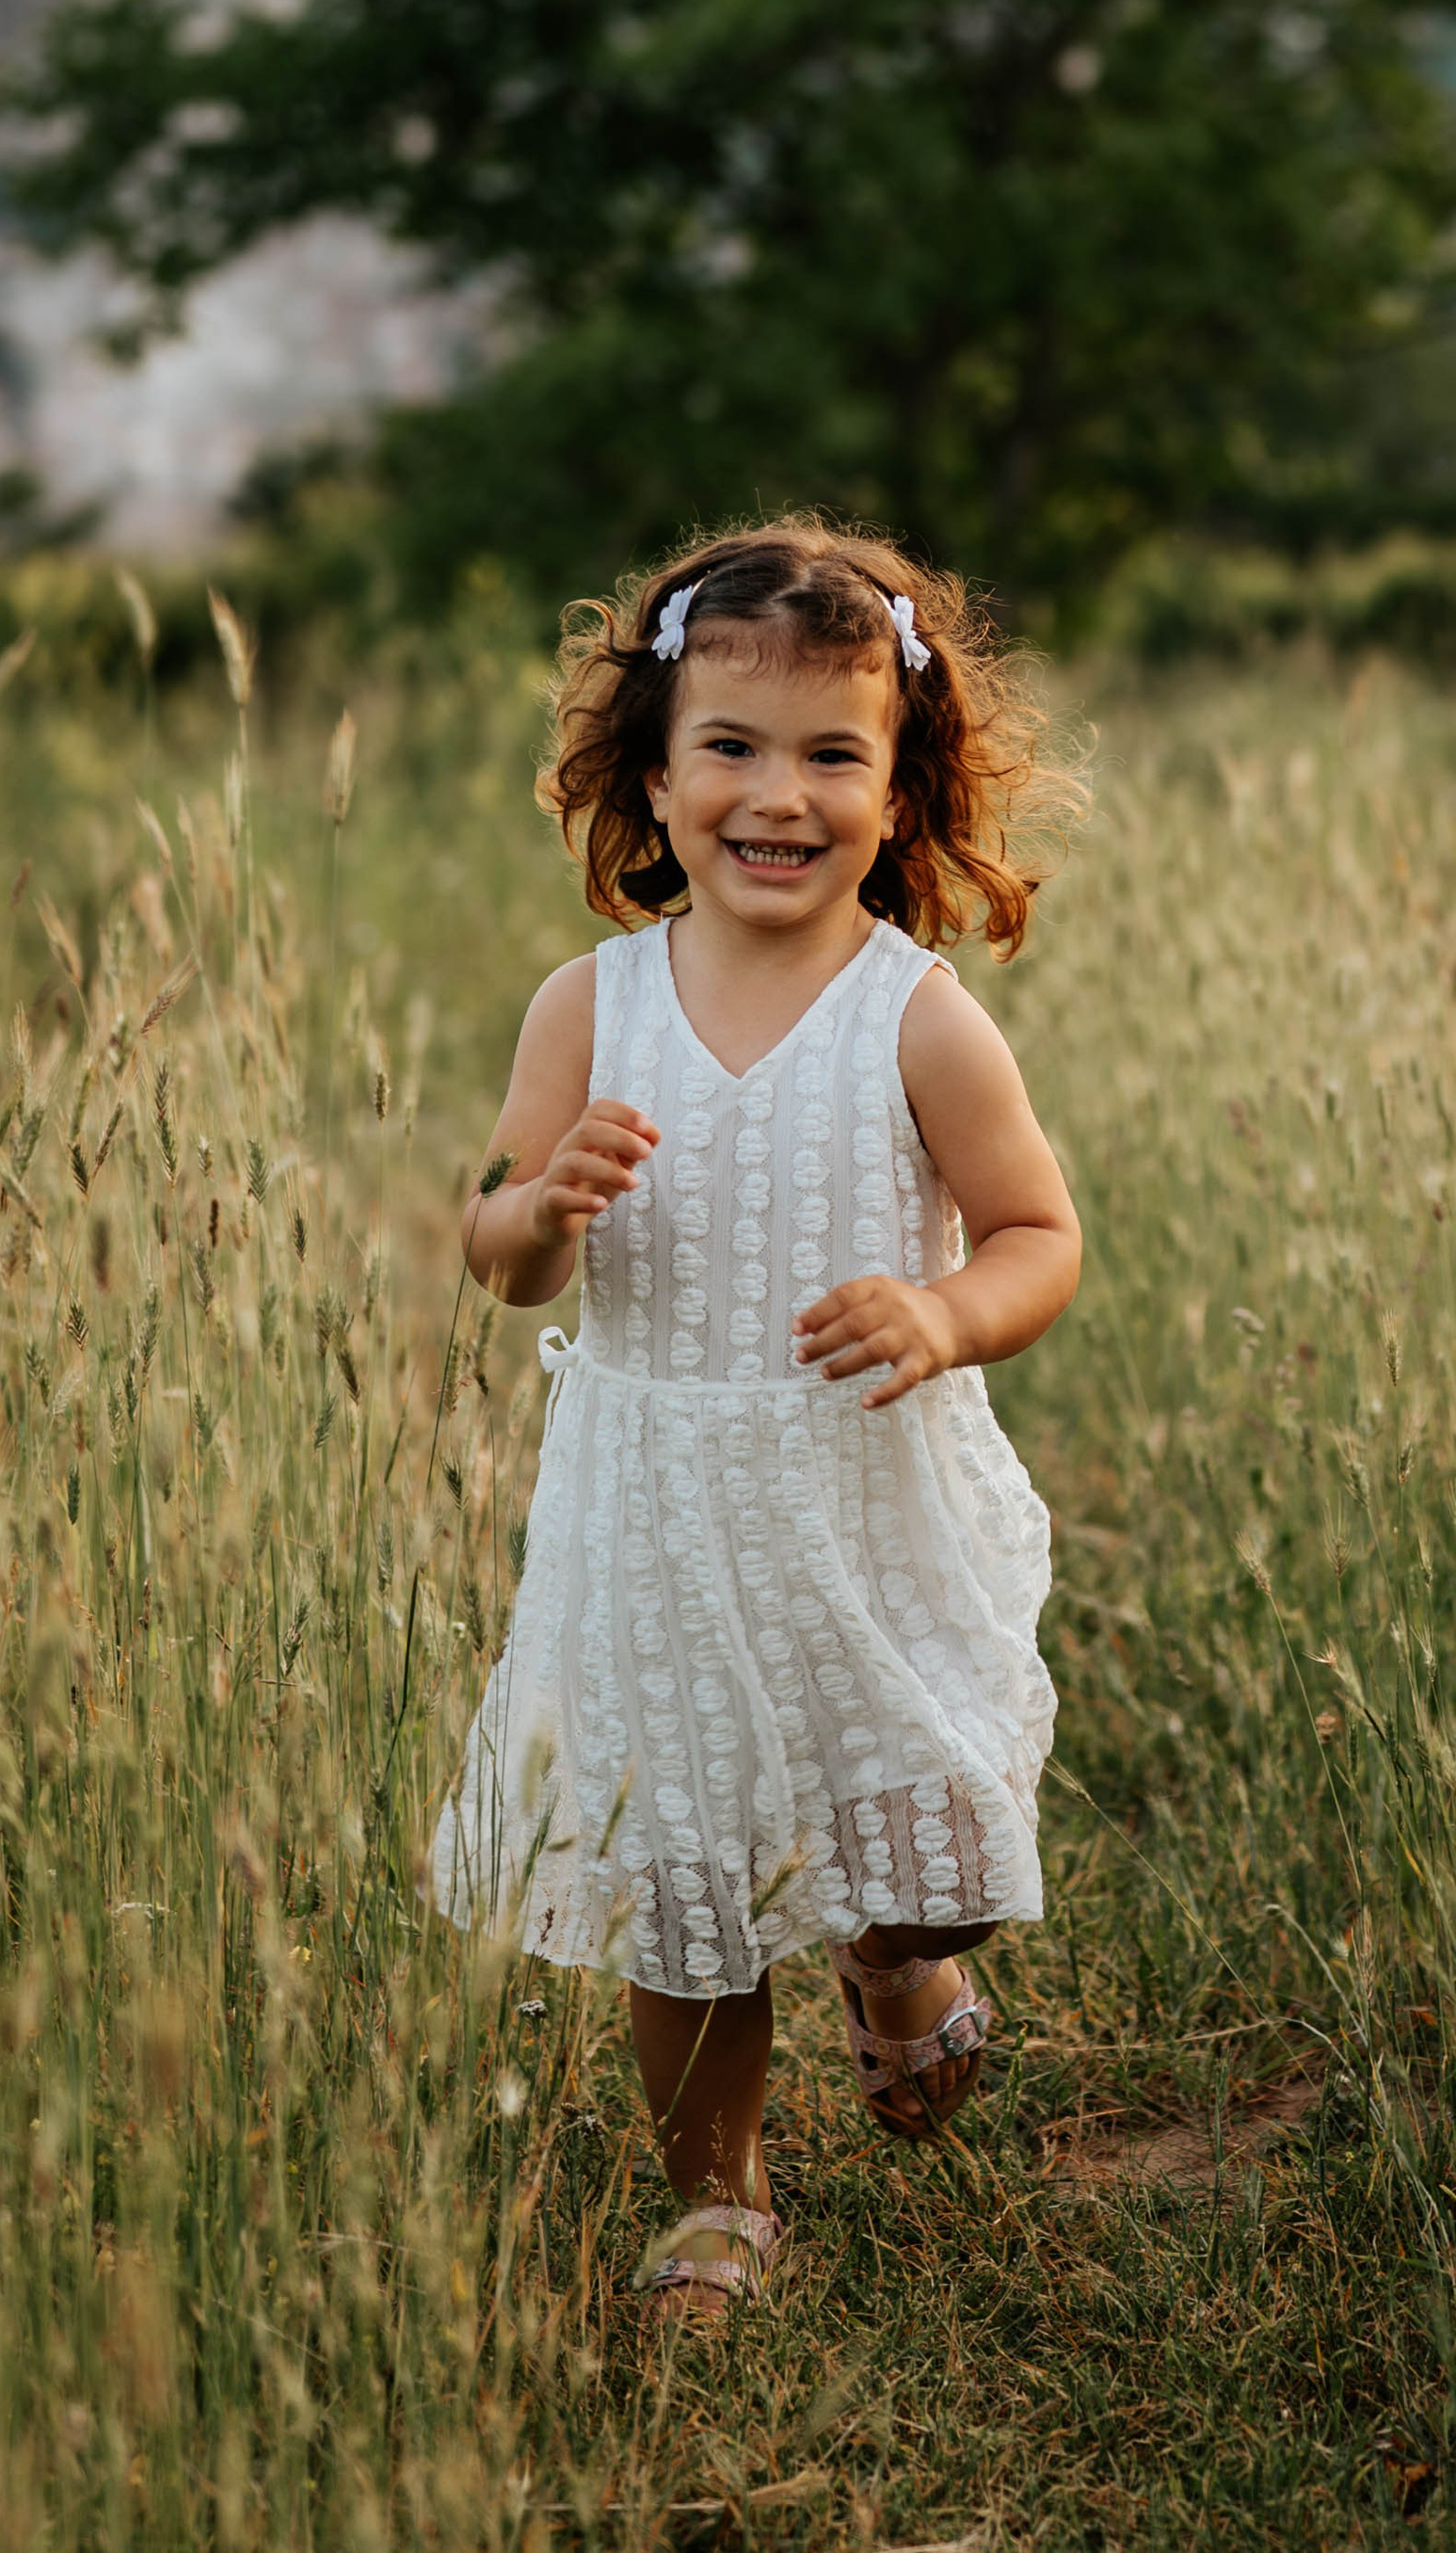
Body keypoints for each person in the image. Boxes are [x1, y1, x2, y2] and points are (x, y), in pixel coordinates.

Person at [427, 521, 1080, 2320]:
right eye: (729, 746)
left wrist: (948, 1309)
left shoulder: (919, 1022)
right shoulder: (591, 1006)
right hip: (651, 1501)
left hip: (860, 1498)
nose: (774, 795)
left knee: (921, 1843)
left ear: (898, 785)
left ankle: (901, 1970)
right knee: (684, 1872)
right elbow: (494, 1252)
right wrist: (542, 1206)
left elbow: (1041, 1237)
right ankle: (719, 2193)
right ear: (654, 772)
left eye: (829, 754)